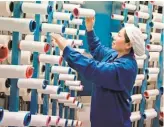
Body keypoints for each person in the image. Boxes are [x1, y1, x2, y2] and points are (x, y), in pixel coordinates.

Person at [51, 17, 145, 127]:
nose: (115, 37)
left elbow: (94, 69)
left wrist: (67, 49)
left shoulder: (126, 67)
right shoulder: (114, 55)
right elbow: (97, 48)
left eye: (119, 36)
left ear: (128, 45)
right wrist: (90, 29)